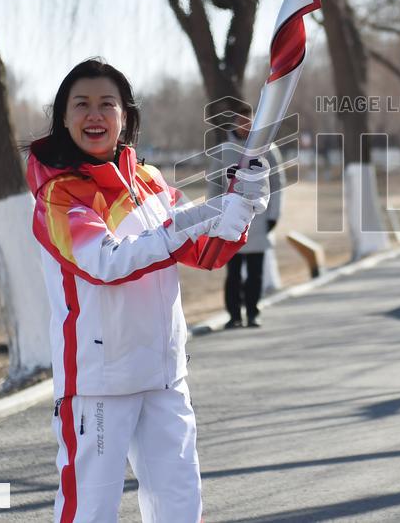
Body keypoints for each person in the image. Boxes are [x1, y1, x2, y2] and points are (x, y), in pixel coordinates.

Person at [27, 58, 269, 523]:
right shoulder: (60, 196)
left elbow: (202, 251)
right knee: (91, 512)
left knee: (179, 508)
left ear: (125, 116)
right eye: (82, 105)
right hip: (101, 385)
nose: (94, 115)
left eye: (107, 105)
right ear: (64, 117)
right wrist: (202, 214)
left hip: (164, 377)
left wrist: (240, 210)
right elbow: (107, 261)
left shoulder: (149, 181)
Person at [208, 102, 285, 329]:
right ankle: (234, 315)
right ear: (234, 122)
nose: (244, 125)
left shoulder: (267, 148)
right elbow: (214, 185)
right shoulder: (224, 151)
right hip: (230, 220)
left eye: (248, 120)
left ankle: (253, 312)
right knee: (233, 273)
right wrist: (214, 214)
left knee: (255, 271)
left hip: (258, 220)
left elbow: (277, 183)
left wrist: (273, 215)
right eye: (240, 120)